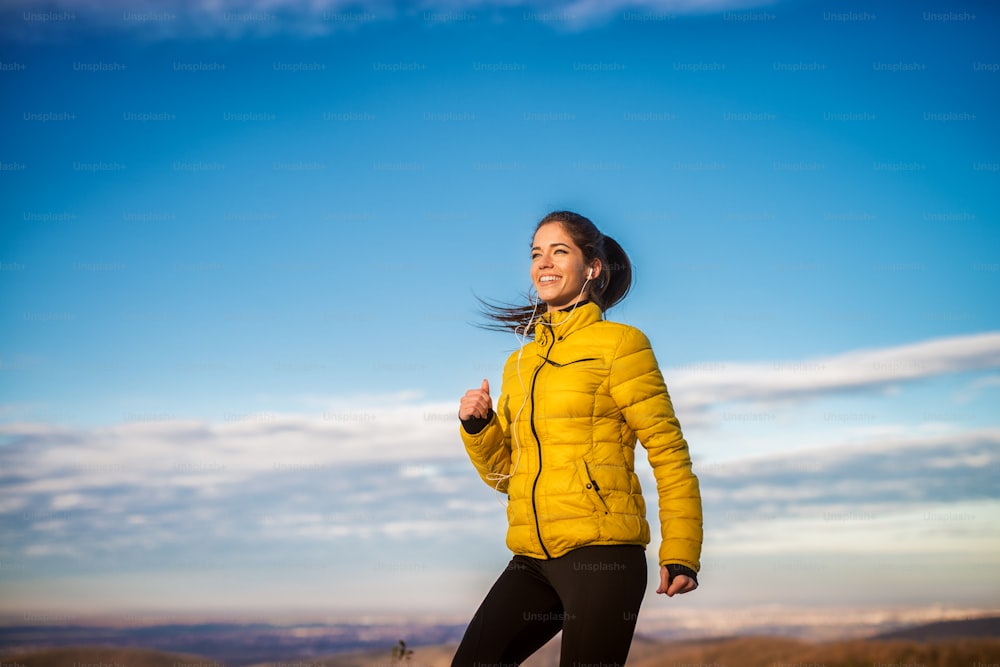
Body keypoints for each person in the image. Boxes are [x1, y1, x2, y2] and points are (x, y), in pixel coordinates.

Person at [453, 211, 703, 667]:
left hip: (604, 555)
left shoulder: (621, 345)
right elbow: (506, 476)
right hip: (531, 557)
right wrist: (478, 428)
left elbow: (669, 452)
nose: (543, 263)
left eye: (559, 251)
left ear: (592, 268)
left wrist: (681, 551)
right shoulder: (520, 363)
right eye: (536, 253)